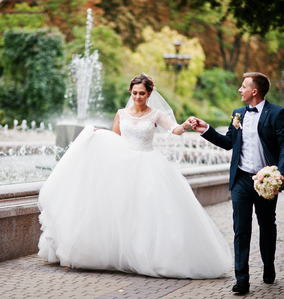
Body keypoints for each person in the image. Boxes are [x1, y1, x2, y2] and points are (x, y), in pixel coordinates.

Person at [37, 73, 231, 279]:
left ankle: (149, 256)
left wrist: (186, 124)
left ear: (149, 94)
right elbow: (115, 137)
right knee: (119, 210)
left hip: (149, 164)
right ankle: (119, 254)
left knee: (147, 211)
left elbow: (174, 129)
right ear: (130, 92)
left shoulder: (155, 114)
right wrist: (97, 134)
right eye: (135, 92)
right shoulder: (121, 113)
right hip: (124, 164)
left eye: (142, 93)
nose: (138, 96)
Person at [190, 72, 284, 293]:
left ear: (254, 91)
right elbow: (229, 143)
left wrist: (281, 173)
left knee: (267, 225)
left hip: (266, 181)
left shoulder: (277, 113)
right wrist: (205, 129)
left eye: (243, 86)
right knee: (241, 229)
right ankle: (242, 280)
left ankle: (268, 264)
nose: (239, 89)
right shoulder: (238, 114)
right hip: (241, 180)